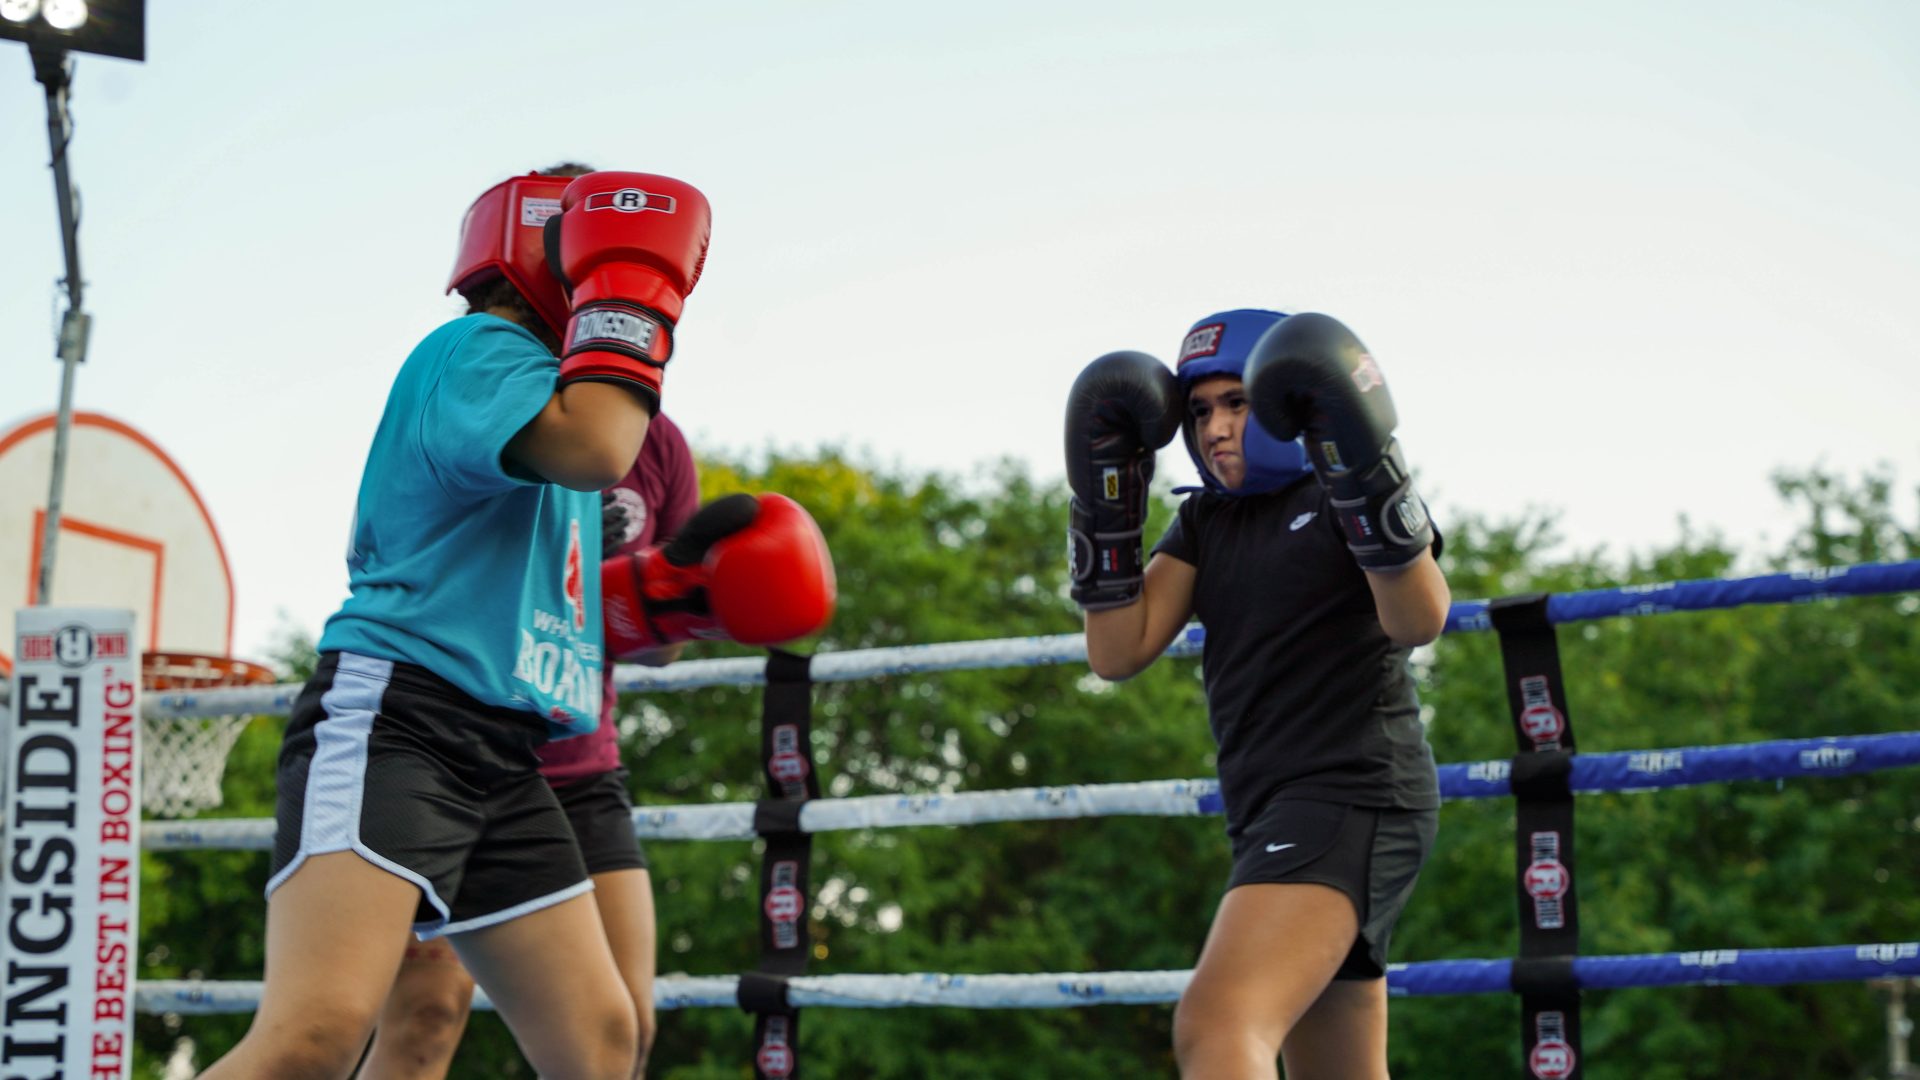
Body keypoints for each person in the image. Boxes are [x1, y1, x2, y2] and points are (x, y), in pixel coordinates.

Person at [200, 166, 826, 1080]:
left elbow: (562, 612)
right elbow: (597, 443)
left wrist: (677, 597)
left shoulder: (555, 408)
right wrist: (631, 291)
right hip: (400, 721)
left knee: (602, 1038)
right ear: (549, 253)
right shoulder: (476, 355)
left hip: (505, 752)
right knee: (314, 1035)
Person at [1067, 309, 1450, 1079]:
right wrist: (1109, 506)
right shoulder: (1206, 521)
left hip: (1349, 794)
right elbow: (1116, 651)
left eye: (1236, 403)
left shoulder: (1341, 491)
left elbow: (1419, 616)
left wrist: (1366, 478)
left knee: (1218, 1023)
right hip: (1271, 808)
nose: (1214, 428)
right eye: (1200, 410)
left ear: (1284, 404)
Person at [358, 414, 699, 1080]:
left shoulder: (661, 445)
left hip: (581, 768)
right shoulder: (496, 398)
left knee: (622, 1033)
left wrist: (691, 595)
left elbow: (665, 647)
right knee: (424, 1019)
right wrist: (556, 550)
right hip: (457, 757)